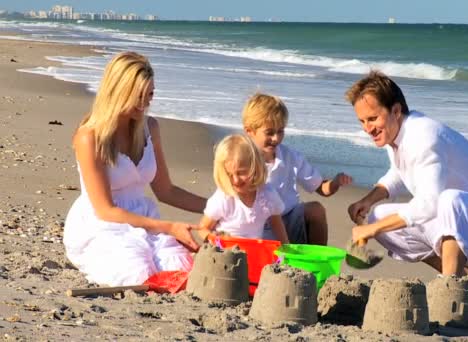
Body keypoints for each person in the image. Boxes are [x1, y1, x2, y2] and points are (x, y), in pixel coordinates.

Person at [346, 71, 468, 277]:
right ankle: (462, 272)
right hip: (457, 224)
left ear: (396, 111)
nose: (367, 129)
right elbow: (398, 173)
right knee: (379, 216)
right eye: (362, 121)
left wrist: (372, 230)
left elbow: (428, 204)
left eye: (372, 119)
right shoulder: (394, 133)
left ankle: (449, 285)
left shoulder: (424, 136)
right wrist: (368, 201)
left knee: (449, 199)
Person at [63, 51, 207, 287]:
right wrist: (170, 227)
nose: (145, 103)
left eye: (150, 94)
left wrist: (216, 209)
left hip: (144, 218)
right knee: (137, 274)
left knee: (182, 266)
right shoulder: (90, 137)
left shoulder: (150, 128)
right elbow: (106, 210)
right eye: (138, 96)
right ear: (118, 91)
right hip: (101, 225)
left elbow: (166, 190)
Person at [242, 93, 352, 245]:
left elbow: (321, 187)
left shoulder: (290, 157)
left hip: (288, 222)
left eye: (280, 131)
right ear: (250, 131)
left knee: (316, 210)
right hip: (254, 229)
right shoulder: (241, 160)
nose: (276, 138)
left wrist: (336, 182)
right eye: (269, 132)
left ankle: (316, 261)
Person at [197, 134, 289, 244]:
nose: (236, 180)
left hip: (253, 251)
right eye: (229, 174)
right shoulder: (224, 198)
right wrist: (214, 238)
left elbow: (276, 223)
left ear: (255, 167)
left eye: (241, 173)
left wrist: (286, 246)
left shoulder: (267, 195)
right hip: (225, 252)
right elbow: (202, 228)